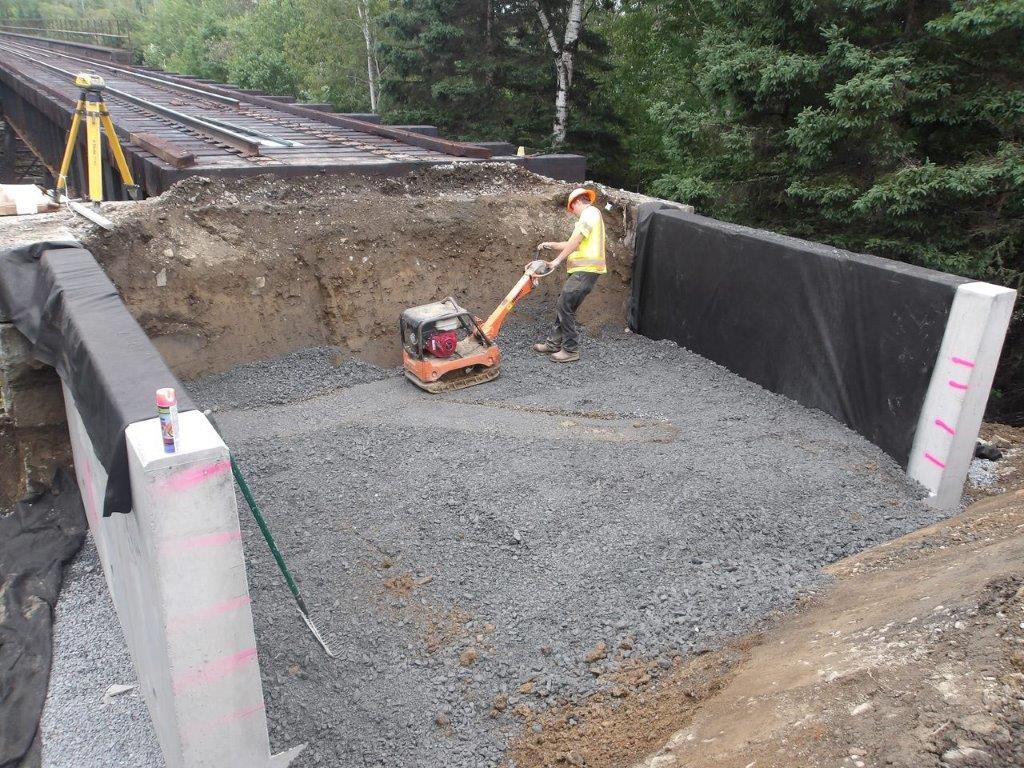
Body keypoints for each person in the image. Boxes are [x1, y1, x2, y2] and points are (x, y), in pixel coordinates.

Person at [533, 187, 606, 363]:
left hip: (586, 269)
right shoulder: (589, 217)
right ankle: (553, 344)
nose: (573, 212)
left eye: (572, 209)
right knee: (564, 305)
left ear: (578, 201)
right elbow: (573, 243)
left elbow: (576, 240)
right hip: (582, 270)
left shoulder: (590, 213)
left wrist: (556, 260)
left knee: (564, 305)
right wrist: (550, 244)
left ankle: (571, 350)